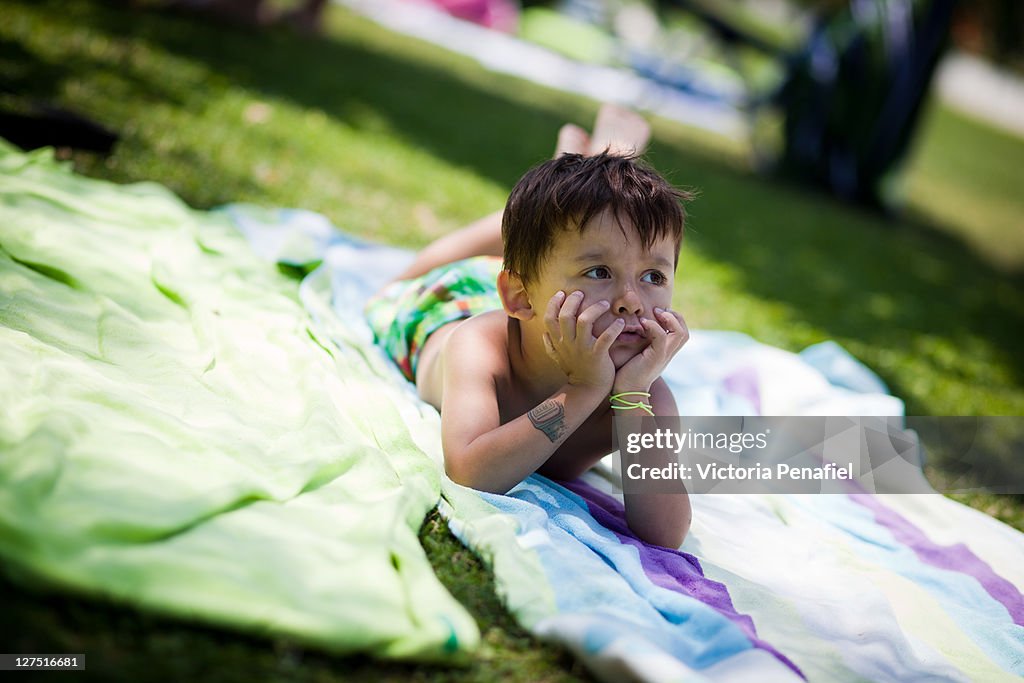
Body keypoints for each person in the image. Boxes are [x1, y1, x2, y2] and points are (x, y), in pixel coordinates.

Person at [366, 105, 693, 547]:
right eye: (599, 272)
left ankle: (582, 184)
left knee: (565, 234)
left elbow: (666, 533)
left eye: (654, 277)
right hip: (451, 305)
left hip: (534, 296)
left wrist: (631, 399)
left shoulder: (644, 393)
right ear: (519, 298)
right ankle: (562, 188)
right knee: (391, 291)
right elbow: (470, 471)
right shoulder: (478, 347)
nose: (630, 302)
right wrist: (581, 391)